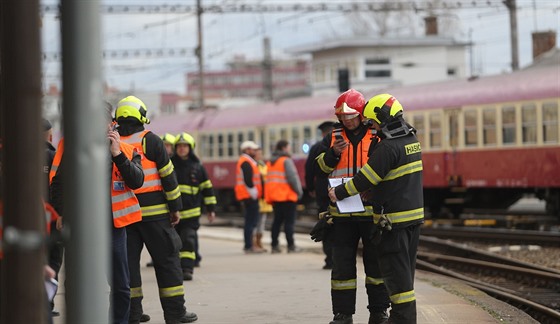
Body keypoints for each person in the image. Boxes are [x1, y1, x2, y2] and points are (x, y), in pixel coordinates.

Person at [328, 93, 424, 324]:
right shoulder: (411, 142)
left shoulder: (387, 146)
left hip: (391, 220)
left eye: (374, 120)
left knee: (395, 275)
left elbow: (366, 178)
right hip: (411, 218)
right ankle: (397, 318)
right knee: (403, 274)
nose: (374, 125)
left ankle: (399, 319)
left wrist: (338, 193)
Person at [50, 102, 145, 324]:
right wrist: (61, 214)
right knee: (77, 281)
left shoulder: (127, 149)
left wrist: (117, 154)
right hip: (83, 225)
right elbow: (58, 183)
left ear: (110, 123)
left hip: (114, 227)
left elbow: (137, 181)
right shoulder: (75, 147)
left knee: (121, 284)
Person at [115, 96, 197, 324]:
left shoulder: (112, 143)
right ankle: (175, 314)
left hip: (125, 217)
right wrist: (175, 208)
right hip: (156, 217)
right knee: (168, 262)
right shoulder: (150, 141)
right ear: (141, 115)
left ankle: (132, 314)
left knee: (128, 267)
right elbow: (168, 177)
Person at [315, 89, 390, 324]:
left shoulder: (377, 135)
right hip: (342, 215)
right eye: (342, 116)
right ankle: (343, 314)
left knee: (375, 266)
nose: (346, 120)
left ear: (360, 114)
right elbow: (320, 168)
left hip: (371, 213)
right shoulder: (333, 138)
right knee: (342, 268)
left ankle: (378, 311)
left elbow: (386, 169)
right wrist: (331, 155)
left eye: (350, 116)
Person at [171, 132, 216, 281]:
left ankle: (188, 269)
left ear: (190, 148)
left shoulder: (197, 167)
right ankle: (176, 268)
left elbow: (207, 189)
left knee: (188, 240)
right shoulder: (169, 165)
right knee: (173, 243)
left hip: (191, 214)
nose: (182, 149)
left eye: (185, 146)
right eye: (179, 146)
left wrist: (211, 210)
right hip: (172, 214)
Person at [304, 120, 335, 269]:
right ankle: (340, 258)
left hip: (323, 191)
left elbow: (309, 169)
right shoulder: (343, 145)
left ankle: (329, 259)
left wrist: (311, 187)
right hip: (342, 191)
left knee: (326, 223)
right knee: (342, 225)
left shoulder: (316, 147)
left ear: (322, 133)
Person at [265, 139, 303, 253]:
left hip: (275, 197)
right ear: (283, 148)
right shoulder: (286, 161)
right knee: (289, 222)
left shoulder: (271, 162)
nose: (289, 149)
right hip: (287, 196)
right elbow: (292, 178)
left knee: (277, 221)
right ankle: (291, 246)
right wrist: (299, 191)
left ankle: (274, 245)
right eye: (288, 147)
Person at [43, 118, 63, 317]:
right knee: (54, 260)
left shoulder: (20, 156)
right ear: (49, 136)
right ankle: (47, 302)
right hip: (52, 217)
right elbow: (60, 186)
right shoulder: (54, 156)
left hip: (27, 217)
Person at [235, 140, 266, 253]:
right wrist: (254, 193)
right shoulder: (246, 162)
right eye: (253, 149)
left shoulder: (247, 161)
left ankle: (249, 245)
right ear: (247, 150)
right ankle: (249, 246)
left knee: (251, 221)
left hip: (247, 195)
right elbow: (248, 180)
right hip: (249, 196)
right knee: (251, 222)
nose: (255, 151)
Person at [254, 147, 271, 252]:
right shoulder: (254, 166)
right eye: (258, 154)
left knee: (262, 222)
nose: (260, 155)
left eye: (261, 153)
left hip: (264, 197)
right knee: (256, 221)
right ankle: (254, 243)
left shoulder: (263, 165)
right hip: (258, 197)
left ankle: (259, 242)